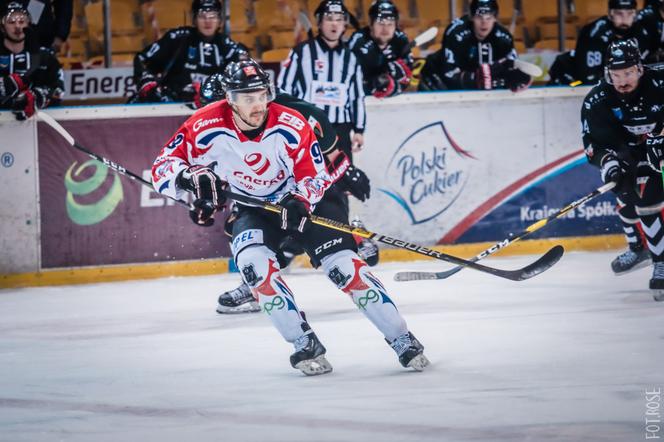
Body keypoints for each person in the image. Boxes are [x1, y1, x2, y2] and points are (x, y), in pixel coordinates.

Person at [151, 59, 429, 374]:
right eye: (247, 98)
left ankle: (402, 339)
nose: (257, 105)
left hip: (306, 204)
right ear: (229, 99)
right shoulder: (204, 123)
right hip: (255, 208)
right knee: (254, 266)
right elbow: (164, 164)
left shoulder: (291, 122)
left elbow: (316, 175)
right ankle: (303, 343)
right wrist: (187, 178)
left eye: (261, 95)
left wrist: (299, 198)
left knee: (344, 268)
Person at [198, 71, 379, 314]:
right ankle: (255, 284)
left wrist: (345, 173)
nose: (215, 114)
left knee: (296, 227)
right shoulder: (219, 127)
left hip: (298, 188)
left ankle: (351, 236)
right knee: (238, 225)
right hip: (263, 190)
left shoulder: (291, 113)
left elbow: (329, 158)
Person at [580, 39, 664, 301]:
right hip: (628, 153)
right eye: (616, 75)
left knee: (648, 199)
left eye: (627, 73)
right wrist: (609, 163)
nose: (622, 80)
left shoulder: (659, 83)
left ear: (639, 68)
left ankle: (660, 261)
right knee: (626, 195)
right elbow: (595, 145)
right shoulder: (598, 99)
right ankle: (638, 247)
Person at [277, 0, 366, 158]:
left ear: (345, 24)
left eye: (339, 19)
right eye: (329, 18)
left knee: (343, 181)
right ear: (319, 22)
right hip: (307, 127)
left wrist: (359, 130)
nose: (335, 24)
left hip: (341, 130)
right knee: (308, 179)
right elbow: (284, 88)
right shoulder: (301, 52)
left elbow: (356, 97)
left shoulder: (351, 58)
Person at [131, 0, 248, 104]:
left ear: (220, 20)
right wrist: (147, 83)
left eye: (213, 16)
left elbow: (245, 69)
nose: (208, 21)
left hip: (211, 107)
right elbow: (142, 59)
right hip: (170, 103)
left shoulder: (228, 46)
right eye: (202, 16)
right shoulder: (177, 38)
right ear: (194, 19)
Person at [417, 0, 531, 92]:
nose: (484, 22)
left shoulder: (504, 38)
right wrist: (475, 78)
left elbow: (511, 67)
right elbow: (448, 73)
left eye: (489, 17)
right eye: (479, 17)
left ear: (495, 19)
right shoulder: (456, 33)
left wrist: (514, 79)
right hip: (436, 82)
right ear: (471, 17)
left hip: (472, 87)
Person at [549, 0, 648, 86]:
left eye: (629, 13)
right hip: (573, 79)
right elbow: (589, 77)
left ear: (635, 14)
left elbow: (645, 67)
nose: (624, 19)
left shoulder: (641, 32)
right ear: (610, 14)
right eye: (619, 13)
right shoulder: (594, 33)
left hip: (610, 79)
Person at [0, 1, 64, 120]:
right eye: (12, 22)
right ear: (2, 27)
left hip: (38, 127)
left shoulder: (45, 57)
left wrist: (37, 97)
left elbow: (59, 91)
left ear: (28, 24)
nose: (18, 26)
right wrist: (4, 86)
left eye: (21, 21)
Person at [348, 0, 413, 98]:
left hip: (392, 103)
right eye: (380, 23)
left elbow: (407, 79)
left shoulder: (400, 40)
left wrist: (391, 81)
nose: (385, 29)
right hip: (361, 99)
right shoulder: (358, 41)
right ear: (370, 24)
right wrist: (370, 83)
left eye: (390, 24)